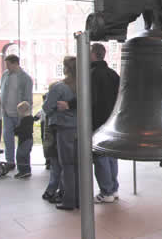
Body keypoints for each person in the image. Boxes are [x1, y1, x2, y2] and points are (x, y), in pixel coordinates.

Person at [58, 43, 120, 204]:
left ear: (93, 55)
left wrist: (69, 104)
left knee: (99, 156)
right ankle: (113, 188)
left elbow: (87, 97)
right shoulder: (113, 74)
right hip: (112, 121)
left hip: (96, 121)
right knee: (112, 155)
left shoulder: (91, 75)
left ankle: (106, 191)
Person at [43, 56, 78, 211]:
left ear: (66, 69)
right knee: (79, 165)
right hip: (81, 128)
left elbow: (47, 107)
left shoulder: (59, 87)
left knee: (67, 165)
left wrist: (56, 111)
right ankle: (79, 198)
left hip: (64, 128)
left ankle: (69, 200)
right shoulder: (84, 85)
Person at [0, 54, 33, 170]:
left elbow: (28, 98)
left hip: (20, 115)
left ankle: (23, 164)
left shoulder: (25, 78)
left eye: (8, 64)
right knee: (7, 137)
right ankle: (10, 161)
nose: (7, 67)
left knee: (23, 140)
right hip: (7, 113)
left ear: (15, 63)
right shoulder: (5, 75)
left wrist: (25, 114)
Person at [14, 101, 34, 179]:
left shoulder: (24, 120)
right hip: (29, 140)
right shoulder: (31, 118)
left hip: (24, 140)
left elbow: (22, 130)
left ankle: (22, 171)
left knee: (20, 156)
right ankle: (27, 170)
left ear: (22, 111)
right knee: (26, 156)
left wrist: (16, 131)